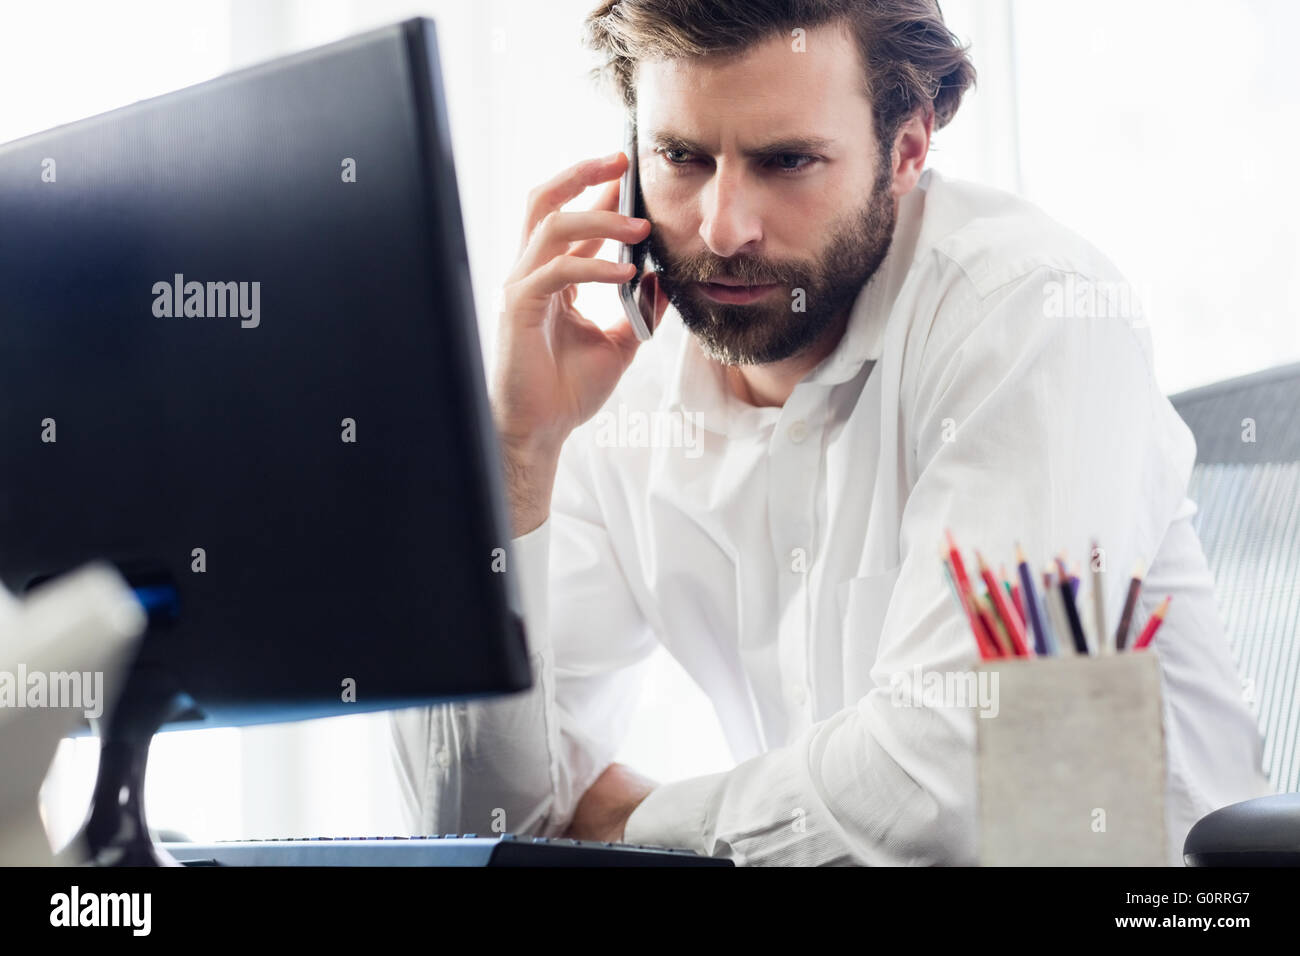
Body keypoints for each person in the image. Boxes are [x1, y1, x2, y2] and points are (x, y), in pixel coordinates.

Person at [391, 0, 1270, 865]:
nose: (722, 226)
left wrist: (634, 825)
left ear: (908, 149)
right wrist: (514, 459)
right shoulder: (615, 387)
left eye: (787, 161)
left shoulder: (1031, 314)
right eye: (680, 156)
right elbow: (476, 821)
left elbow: (952, 789)